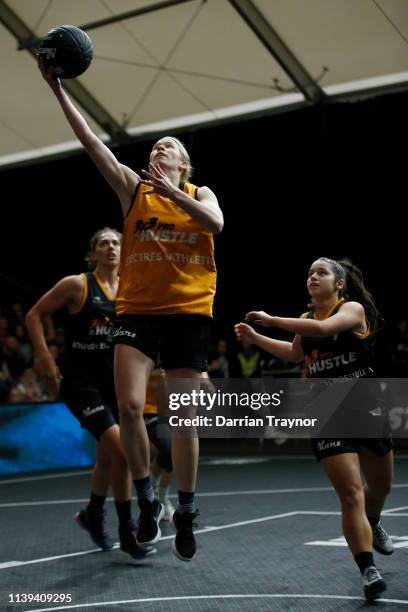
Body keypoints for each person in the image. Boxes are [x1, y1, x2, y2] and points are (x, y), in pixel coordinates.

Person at [38, 57, 224, 561]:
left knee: (183, 421)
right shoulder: (132, 190)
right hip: (138, 312)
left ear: (183, 164)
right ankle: (146, 498)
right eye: (156, 145)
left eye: (171, 147)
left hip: (187, 313)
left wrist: (172, 193)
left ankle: (185, 508)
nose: (160, 148)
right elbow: (92, 143)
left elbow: (215, 225)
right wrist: (58, 90)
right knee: (128, 407)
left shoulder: (197, 192)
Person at [235, 257, 394, 601]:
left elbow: (325, 331)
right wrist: (257, 336)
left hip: (365, 405)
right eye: (309, 272)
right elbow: (294, 354)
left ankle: (375, 520)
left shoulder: (351, 309)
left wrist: (271, 319)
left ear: (338, 283)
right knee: (350, 492)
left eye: (321, 272)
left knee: (380, 486)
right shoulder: (304, 320)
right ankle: (367, 568)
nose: (313, 277)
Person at [26, 228, 154, 560]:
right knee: (122, 452)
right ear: (92, 254)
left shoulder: (130, 287)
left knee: (109, 457)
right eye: (104, 243)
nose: (111, 247)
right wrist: (43, 357)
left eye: (116, 243)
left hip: (116, 382)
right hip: (81, 384)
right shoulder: (77, 285)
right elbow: (34, 316)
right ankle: (127, 532)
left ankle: (92, 514)